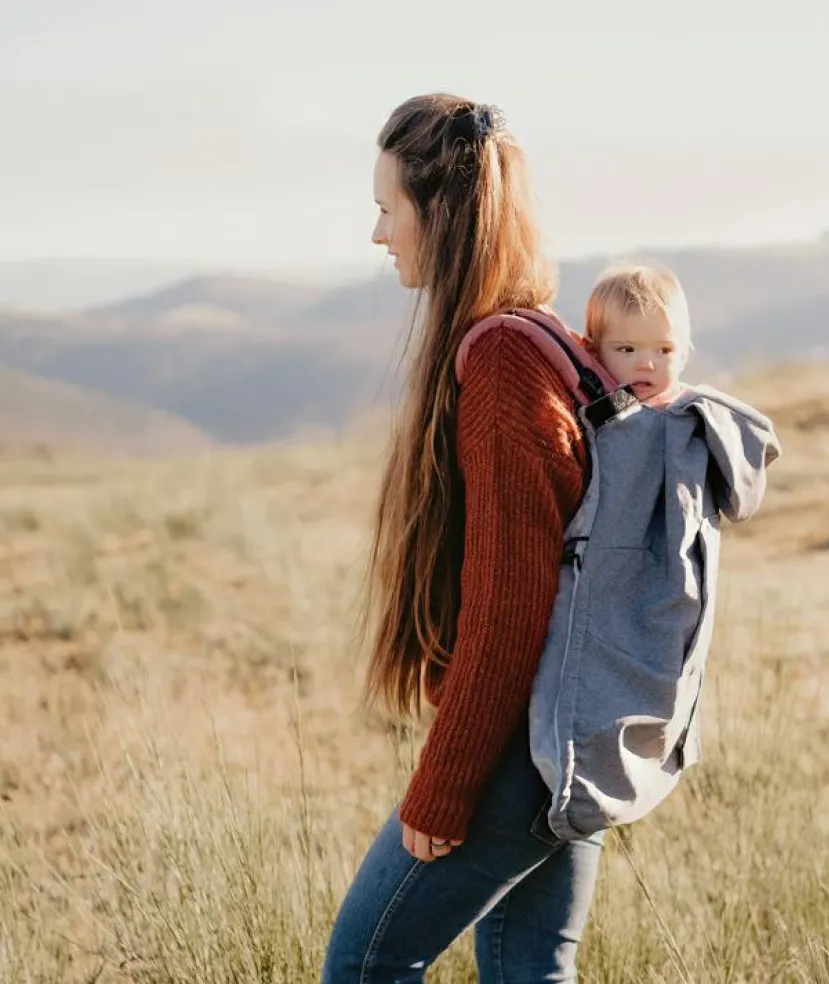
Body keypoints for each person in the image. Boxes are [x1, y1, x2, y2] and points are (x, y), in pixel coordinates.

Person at [320, 94, 604, 982]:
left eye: (387, 209)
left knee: (366, 963)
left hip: (517, 747)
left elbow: (510, 605)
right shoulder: (546, 339)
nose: (378, 235)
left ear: (439, 215)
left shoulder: (500, 362)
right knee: (530, 972)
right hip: (566, 731)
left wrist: (444, 786)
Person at [583, 263, 693, 408]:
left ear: (683, 356)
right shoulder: (599, 411)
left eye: (664, 350)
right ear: (594, 353)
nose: (646, 365)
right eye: (628, 349)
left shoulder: (695, 414)